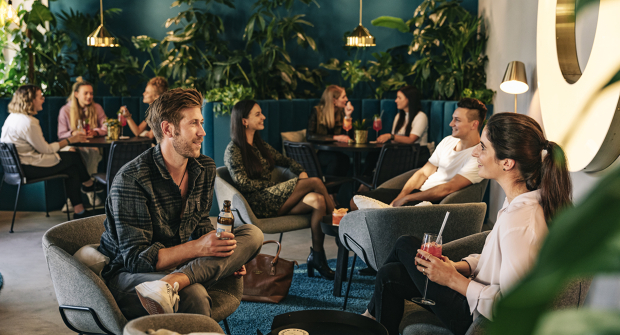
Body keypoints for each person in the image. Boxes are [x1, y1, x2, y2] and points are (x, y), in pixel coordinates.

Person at [362, 112, 573, 335]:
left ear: (507, 163)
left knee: (405, 245)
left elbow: (514, 307)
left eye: (483, 147)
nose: (474, 152)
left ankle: (367, 319)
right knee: (389, 275)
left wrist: (452, 279)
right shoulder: (520, 201)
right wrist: (457, 266)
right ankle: (371, 322)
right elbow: (498, 259)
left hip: (475, 314)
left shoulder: (520, 220)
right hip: (473, 292)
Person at [97, 89, 263, 319]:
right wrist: (199, 248)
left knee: (253, 233)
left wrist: (223, 252)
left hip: (180, 267)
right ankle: (178, 283)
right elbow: (136, 260)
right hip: (128, 275)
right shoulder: (132, 179)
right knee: (193, 294)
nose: (203, 132)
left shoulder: (204, 168)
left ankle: (175, 280)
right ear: (168, 129)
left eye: (201, 122)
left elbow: (200, 224)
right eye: (194, 123)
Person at [225, 100, 337, 279]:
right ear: (244, 121)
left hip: (276, 199)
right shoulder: (233, 150)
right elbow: (243, 184)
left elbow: (288, 161)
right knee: (315, 182)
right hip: (257, 204)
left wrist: (300, 172)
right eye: (258, 114)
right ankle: (340, 227)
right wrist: (274, 186)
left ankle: (317, 257)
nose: (264, 117)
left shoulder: (259, 145)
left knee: (319, 201)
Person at [351, 98, 487, 210]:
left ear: (473, 124)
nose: (451, 123)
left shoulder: (477, 156)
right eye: (452, 118)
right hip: (416, 194)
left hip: (430, 203)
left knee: (378, 216)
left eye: (457, 120)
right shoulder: (448, 141)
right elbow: (423, 173)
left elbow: (448, 188)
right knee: (355, 202)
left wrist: (408, 198)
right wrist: (401, 195)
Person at [0, 85, 95, 219]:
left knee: (72, 169)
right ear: (31, 100)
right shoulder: (29, 122)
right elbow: (46, 149)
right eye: (40, 97)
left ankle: (80, 212)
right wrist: (70, 140)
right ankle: (88, 184)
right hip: (28, 168)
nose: (43, 100)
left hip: (15, 169)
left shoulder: (12, 118)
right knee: (73, 157)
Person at [360, 86, 431, 190]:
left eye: (399, 97)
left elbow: (411, 140)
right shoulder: (399, 117)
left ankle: (371, 187)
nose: (396, 100)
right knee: (372, 155)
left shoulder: (421, 116)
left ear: (409, 99)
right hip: (401, 152)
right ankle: (366, 184)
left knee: (383, 162)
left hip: (417, 154)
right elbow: (394, 140)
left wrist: (390, 136)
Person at [58, 78, 107, 208]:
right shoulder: (65, 110)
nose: (89, 96)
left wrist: (95, 132)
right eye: (85, 93)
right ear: (76, 94)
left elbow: (106, 127)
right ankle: (83, 191)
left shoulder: (97, 108)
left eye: (91, 93)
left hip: (91, 145)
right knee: (72, 155)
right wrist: (73, 133)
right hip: (72, 145)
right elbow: (61, 134)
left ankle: (80, 196)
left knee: (91, 152)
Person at [307, 85, 353, 198]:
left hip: (335, 151)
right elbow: (310, 136)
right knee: (335, 159)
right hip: (318, 153)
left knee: (345, 160)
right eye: (344, 97)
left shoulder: (341, 113)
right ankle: (328, 195)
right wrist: (335, 138)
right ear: (334, 100)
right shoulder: (317, 111)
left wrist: (348, 117)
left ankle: (333, 194)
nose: (346, 99)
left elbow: (348, 137)